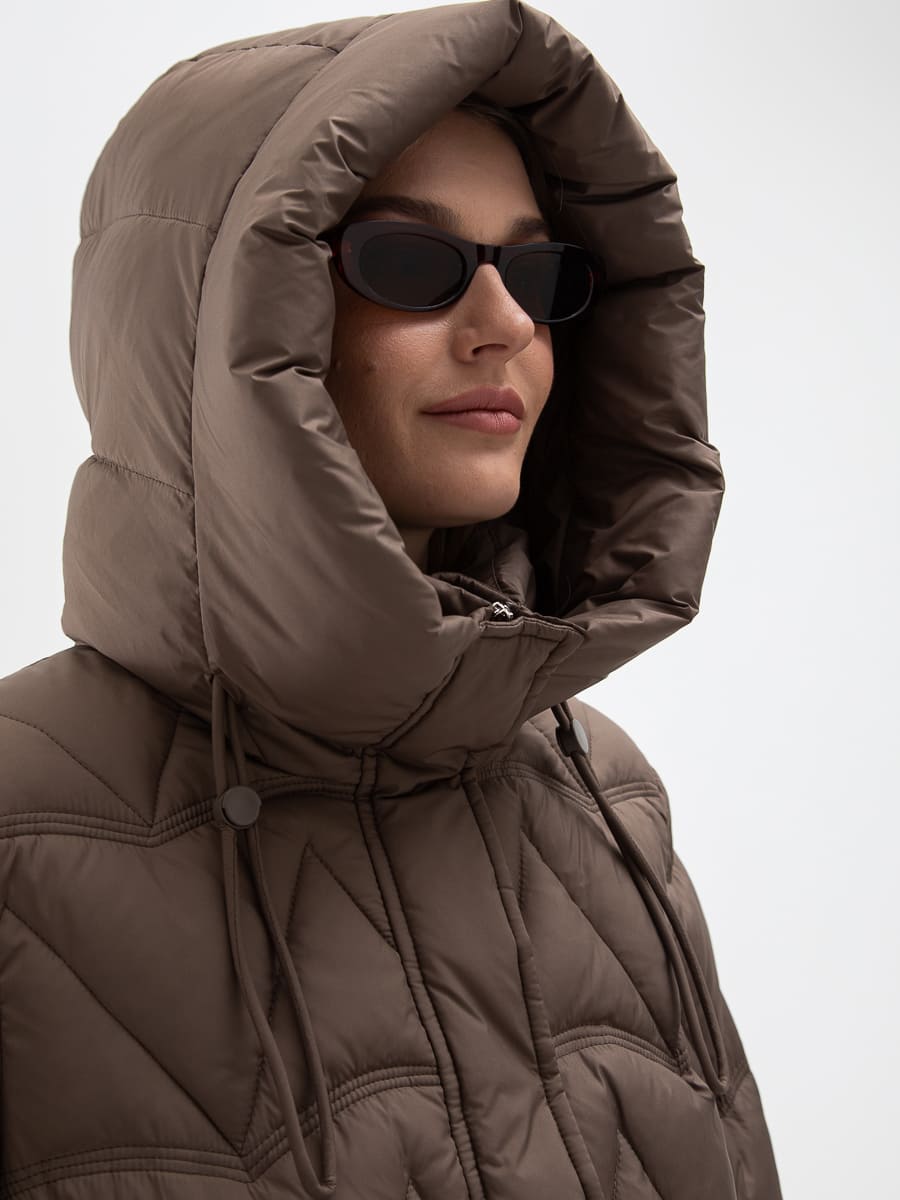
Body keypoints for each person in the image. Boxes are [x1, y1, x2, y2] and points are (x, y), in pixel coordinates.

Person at [0, 2, 782, 1197]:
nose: (507, 324)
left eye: (540, 274)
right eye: (410, 264)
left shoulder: (605, 794)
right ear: (211, 325)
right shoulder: (20, 826)